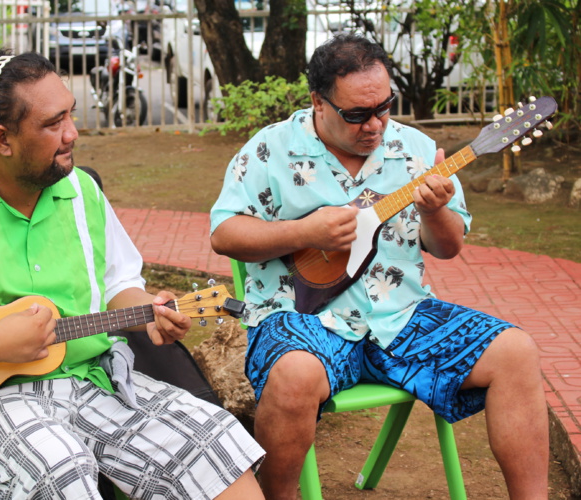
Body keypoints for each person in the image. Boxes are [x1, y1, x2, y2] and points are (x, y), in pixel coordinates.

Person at [0, 48, 265, 500]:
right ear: (3, 139)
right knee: (57, 468)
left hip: (89, 379)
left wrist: (152, 312)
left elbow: (119, 284)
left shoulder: (80, 191)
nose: (72, 133)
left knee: (214, 442)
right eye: (52, 123)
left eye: (71, 115)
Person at [210, 33, 547, 499]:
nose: (375, 125)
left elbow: (448, 248)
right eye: (357, 114)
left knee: (517, 352)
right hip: (300, 317)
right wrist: (304, 233)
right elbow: (223, 234)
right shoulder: (271, 149)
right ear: (319, 102)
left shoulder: (417, 151)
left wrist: (434, 210)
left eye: (384, 108)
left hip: (402, 315)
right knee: (294, 375)